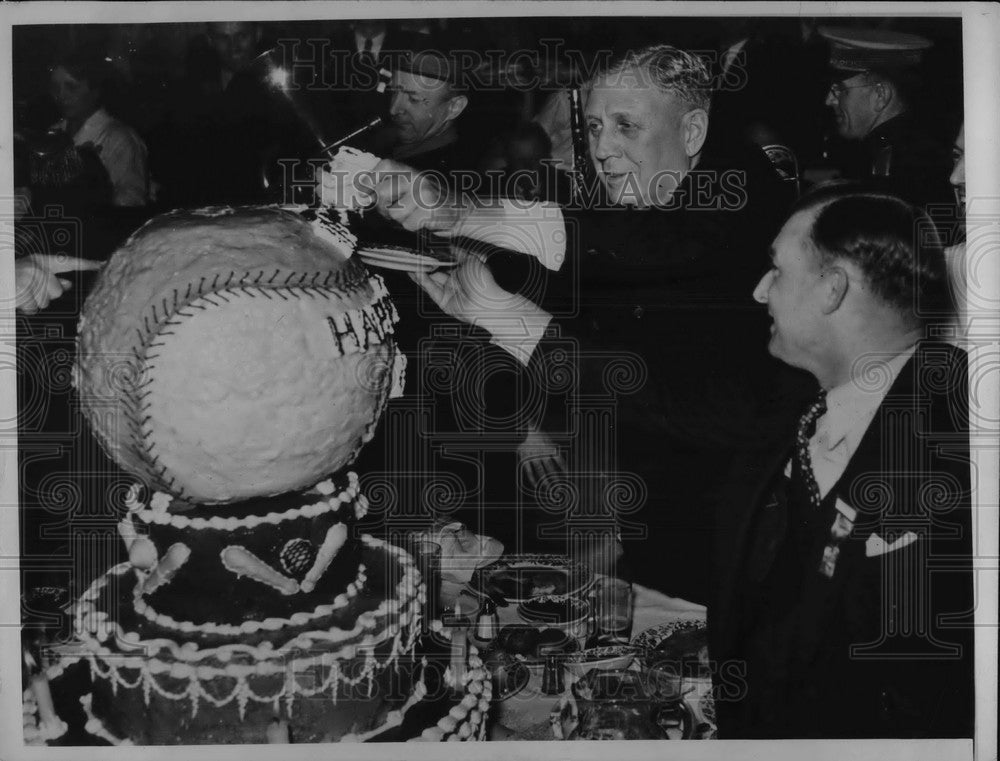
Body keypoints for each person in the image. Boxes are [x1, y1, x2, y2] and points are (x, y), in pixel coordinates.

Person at [359, 44, 807, 593]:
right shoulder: (639, 192)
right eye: (594, 126)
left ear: (692, 131)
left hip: (745, 500)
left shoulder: (743, 188)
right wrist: (492, 311)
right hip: (650, 481)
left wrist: (457, 210)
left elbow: (644, 249)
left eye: (626, 126)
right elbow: (607, 347)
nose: (601, 149)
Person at [709, 184, 972, 738]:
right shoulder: (807, 402)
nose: (760, 291)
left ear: (831, 289)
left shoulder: (952, 448)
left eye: (777, 270)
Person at [818, 26, 953, 209]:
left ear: (880, 95)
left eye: (840, 90)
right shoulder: (894, 151)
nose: (829, 100)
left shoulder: (909, 163)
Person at [49, 52, 150, 207]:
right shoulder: (52, 133)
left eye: (71, 87)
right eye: (56, 88)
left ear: (95, 91)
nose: (61, 95)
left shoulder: (119, 139)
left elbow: (131, 200)